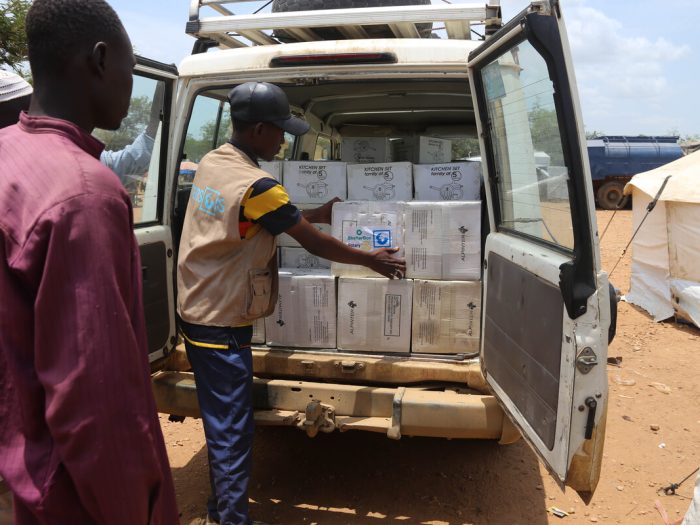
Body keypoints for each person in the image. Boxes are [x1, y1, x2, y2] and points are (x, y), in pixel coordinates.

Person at [177, 81, 406, 525]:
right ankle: (230, 521)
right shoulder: (258, 184)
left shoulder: (215, 162)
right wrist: (369, 260)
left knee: (224, 424)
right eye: (280, 130)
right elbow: (314, 245)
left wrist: (311, 214)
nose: (284, 139)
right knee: (231, 431)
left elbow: (264, 214)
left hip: (198, 305)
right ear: (258, 129)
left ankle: (219, 512)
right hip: (221, 320)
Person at [0, 0, 180, 523]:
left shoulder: (10, 152)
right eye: (130, 69)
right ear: (100, 61)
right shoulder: (84, 193)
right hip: (68, 498)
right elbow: (96, 405)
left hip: (20, 468)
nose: (130, 85)